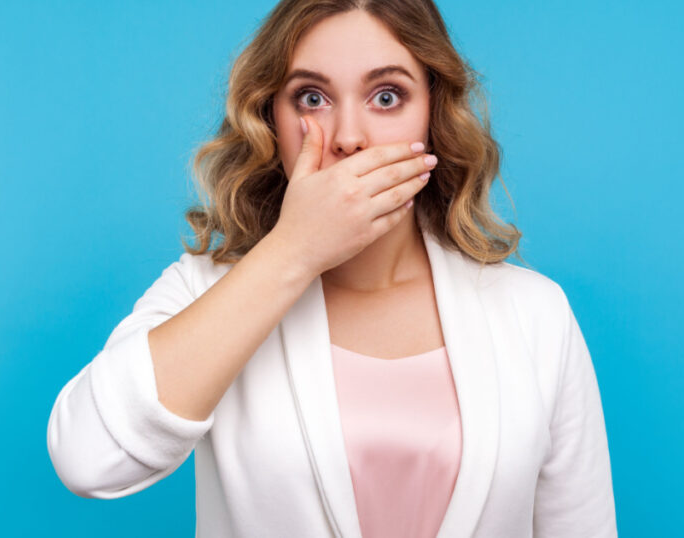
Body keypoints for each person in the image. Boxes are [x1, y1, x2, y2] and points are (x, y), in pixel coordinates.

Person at [46, 1, 618, 536]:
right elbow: (88, 460)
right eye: (312, 98)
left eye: (387, 97)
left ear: (433, 114)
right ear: (271, 117)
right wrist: (293, 251)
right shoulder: (207, 290)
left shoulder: (534, 314)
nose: (348, 138)